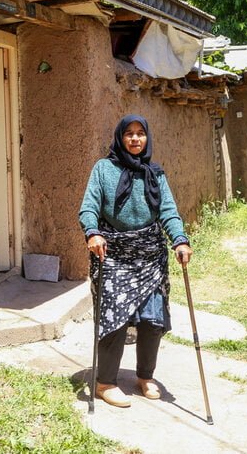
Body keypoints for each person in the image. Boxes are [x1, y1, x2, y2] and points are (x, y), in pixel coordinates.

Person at [79, 114, 193, 408]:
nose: (134, 138)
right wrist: (92, 233)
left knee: (152, 320)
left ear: (147, 138)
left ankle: (145, 377)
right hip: (114, 254)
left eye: (140, 133)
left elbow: (168, 210)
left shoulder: (155, 173)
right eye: (128, 133)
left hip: (150, 255)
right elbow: (89, 207)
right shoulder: (103, 169)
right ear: (120, 137)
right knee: (114, 319)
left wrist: (179, 239)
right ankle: (105, 383)